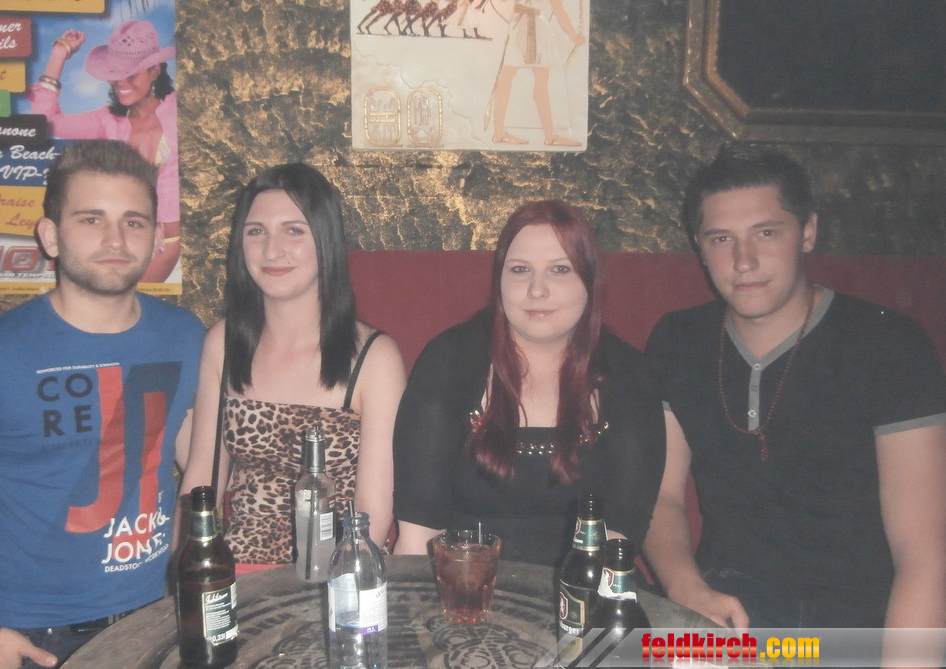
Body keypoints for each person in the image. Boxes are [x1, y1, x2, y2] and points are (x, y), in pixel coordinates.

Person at [643, 146, 946, 632]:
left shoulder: (888, 344)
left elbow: (925, 556)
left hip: (853, 631)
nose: (743, 261)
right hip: (725, 609)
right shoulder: (679, 339)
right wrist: (685, 589)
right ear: (699, 247)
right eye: (722, 239)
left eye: (766, 233)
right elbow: (659, 496)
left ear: (807, 232)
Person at [0, 139, 204, 668]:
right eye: (91, 219)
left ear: (156, 237)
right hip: (34, 636)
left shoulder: (185, 335)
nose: (115, 239)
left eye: (133, 221)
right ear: (51, 235)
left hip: (156, 620)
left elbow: (201, 472)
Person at [393, 200, 665, 567]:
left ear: (590, 280)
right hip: (465, 585)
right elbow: (418, 534)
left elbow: (621, 534)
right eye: (520, 270)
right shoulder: (450, 361)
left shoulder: (628, 373)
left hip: (585, 586)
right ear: (499, 280)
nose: (537, 290)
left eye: (559, 269)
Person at [178, 163, 406, 572]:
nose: (272, 250)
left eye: (294, 230)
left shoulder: (375, 358)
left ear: (325, 240)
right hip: (237, 569)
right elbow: (202, 478)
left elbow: (372, 514)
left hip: (335, 569)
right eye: (256, 231)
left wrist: (337, 586)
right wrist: (185, 573)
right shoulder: (223, 343)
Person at [29, 19, 180, 284]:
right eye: (115, 73)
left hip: (175, 247)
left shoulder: (182, 110)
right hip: (125, 247)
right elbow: (43, 122)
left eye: (131, 73)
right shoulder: (107, 120)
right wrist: (60, 52)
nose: (121, 82)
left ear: (154, 71)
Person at [490, 0, 585, 146]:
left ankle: (549, 136)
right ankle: (499, 133)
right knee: (507, 79)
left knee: (538, 81)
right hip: (519, 31)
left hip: (537, 33)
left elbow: (559, 11)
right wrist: (574, 36)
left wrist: (574, 36)